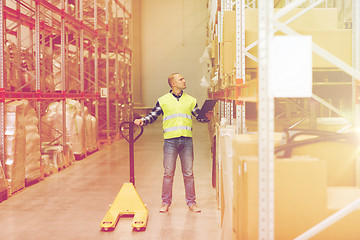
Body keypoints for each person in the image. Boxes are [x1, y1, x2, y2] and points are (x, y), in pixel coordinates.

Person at [134, 73, 212, 213]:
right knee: (168, 174)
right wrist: (142, 121)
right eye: (181, 79)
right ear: (174, 84)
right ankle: (165, 203)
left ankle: (192, 203)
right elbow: (153, 115)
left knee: (188, 174)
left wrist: (206, 117)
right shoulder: (163, 100)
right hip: (170, 141)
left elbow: (198, 117)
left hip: (187, 140)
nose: (184, 80)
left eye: (183, 78)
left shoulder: (191, 100)